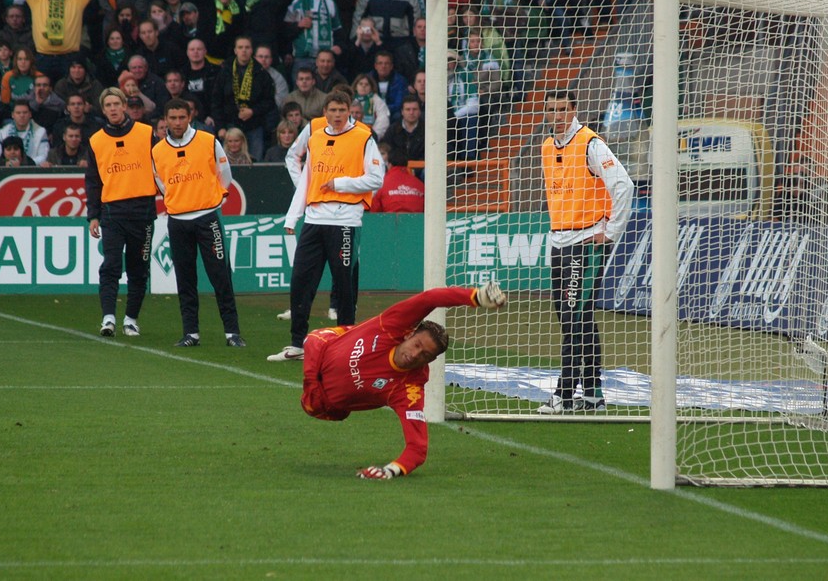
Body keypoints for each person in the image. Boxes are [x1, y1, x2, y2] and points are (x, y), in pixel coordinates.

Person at [299, 282, 507, 479]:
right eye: (417, 344)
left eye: (425, 355)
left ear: (431, 361)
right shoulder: (393, 325)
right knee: (312, 340)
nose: (416, 354)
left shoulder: (409, 388)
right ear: (409, 335)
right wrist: (475, 297)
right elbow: (430, 298)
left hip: (323, 404)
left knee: (313, 407)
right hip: (321, 347)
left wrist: (391, 471)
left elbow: (417, 449)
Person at [536, 89, 634, 414]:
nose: (557, 115)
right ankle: (593, 393)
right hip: (559, 241)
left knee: (575, 317)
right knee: (574, 318)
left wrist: (611, 230)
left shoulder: (591, 143)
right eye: (551, 109)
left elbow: (624, 185)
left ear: (574, 109)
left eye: (563, 109)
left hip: (588, 241)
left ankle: (563, 395)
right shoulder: (547, 146)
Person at [267, 89, 384, 362]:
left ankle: (347, 343)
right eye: (332, 110)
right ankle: (297, 344)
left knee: (343, 284)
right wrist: (292, 217)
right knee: (300, 281)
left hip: (344, 220)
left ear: (350, 110)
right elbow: (307, 179)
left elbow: (377, 178)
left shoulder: (363, 137)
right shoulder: (317, 137)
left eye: (342, 111)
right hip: (314, 219)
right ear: (325, 112)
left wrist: (341, 183)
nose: (337, 116)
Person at [152, 98, 246, 348]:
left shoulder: (208, 141)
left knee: (220, 276)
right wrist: (178, 200)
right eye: (173, 118)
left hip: (207, 218)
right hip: (177, 220)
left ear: (190, 116)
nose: (177, 122)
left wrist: (211, 201)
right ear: (165, 120)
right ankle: (191, 333)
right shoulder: (158, 150)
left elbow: (225, 176)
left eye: (182, 117)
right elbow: (161, 183)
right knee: (185, 278)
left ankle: (232, 332)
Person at [85, 87, 158, 337]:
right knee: (111, 266)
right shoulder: (96, 141)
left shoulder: (146, 133)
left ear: (125, 105)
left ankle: (130, 319)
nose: (113, 109)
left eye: (117, 104)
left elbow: (163, 167)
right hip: (112, 213)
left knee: (139, 269)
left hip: (143, 212)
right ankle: (108, 318)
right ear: (103, 110)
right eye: (108, 105)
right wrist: (93, 215)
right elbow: (93, 180)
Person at [0, 100, 50, 165]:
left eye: (25, 112)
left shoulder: (41, 132)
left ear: (30, 114)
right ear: (13, 115)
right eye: (18, 113)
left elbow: (43, 156)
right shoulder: (2, 132)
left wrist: (23, 164)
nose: (22, 115)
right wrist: (7, 163)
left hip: (32, 169)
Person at [370, 146, 423, 212]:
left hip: (389, 221)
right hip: (417, 221)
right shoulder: (420, 185)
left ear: (389, 165)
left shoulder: (382, 184)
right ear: (407, 165)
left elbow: (374, 211)